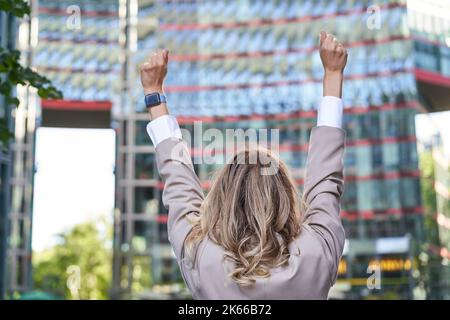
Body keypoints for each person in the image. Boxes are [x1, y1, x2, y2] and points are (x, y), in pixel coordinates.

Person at [140, 32, 348, 299]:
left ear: (223, 201)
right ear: (283, 197)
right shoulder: (316, 253)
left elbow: (179, 184)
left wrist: (153, 93)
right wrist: (333, 75)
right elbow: (326, 180)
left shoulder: (202, 258)